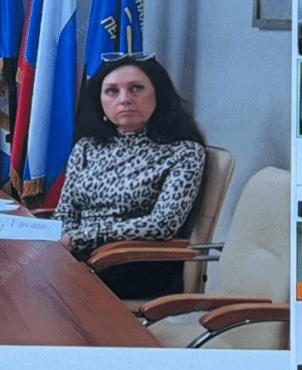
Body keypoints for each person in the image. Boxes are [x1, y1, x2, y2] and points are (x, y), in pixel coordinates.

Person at [54, 55, 206, 300]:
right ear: (100, 101)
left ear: (159, 94)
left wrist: (81, 238)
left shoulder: (184, 151)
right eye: (112, 91)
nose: (124, 99)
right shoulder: (87, 147)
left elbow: (162, 225)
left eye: (136, 89)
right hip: (79, 255)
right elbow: (66, 212)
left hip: (134, 261)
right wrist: (62, 244)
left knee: (39, 291)